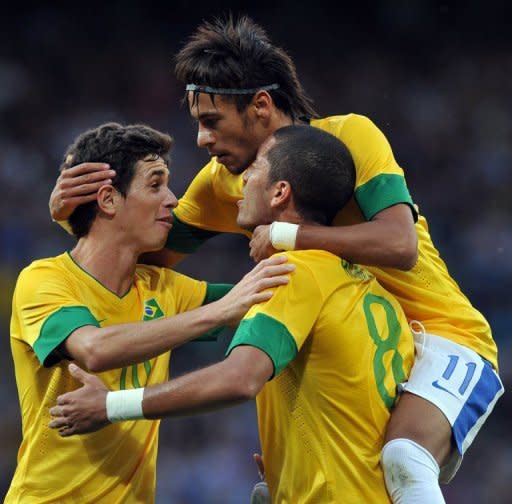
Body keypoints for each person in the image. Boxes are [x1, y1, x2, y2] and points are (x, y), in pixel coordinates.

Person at [48, 16, 504, 503]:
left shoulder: (350, 138)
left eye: (211, 121)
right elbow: (143, 254)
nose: (201, 139)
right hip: (365, 352)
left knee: (405, 461)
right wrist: (79, 217)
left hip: (445, 338)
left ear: (260, 106)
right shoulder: (223, 183)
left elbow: (400, 244)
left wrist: (287, 233)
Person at [50, 125, 416, 503]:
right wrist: (293, 459)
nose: (240, 180)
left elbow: (239, 379)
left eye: (254, 168)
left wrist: (111, 405)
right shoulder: (362, 286)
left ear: (280, 192)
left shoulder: (294, 274)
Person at [7, 122, 293, 504]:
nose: (173, 199)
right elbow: (94, 349)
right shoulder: (44, 279)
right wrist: (220, 311)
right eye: (155, 185)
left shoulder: (162, 287)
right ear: (108, 200)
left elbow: (273, 302)